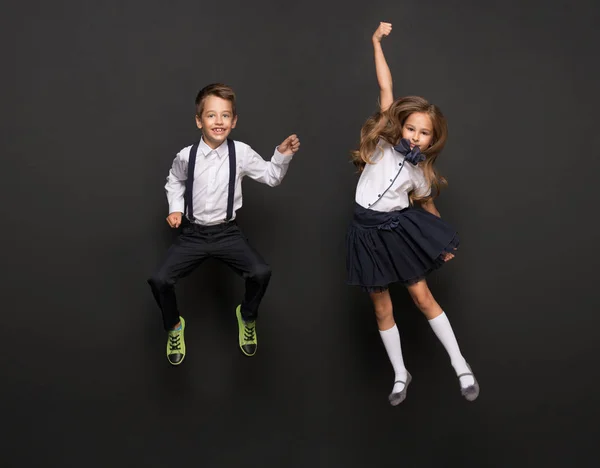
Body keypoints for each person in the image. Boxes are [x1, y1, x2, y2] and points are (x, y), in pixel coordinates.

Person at [346, 22, 479, 404]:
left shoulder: (421, 172)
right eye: (411, 128)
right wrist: (375, 42)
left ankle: (460, 364)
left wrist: (440, 243)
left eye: (424, 133)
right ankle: (400, 373)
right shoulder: (386, 144)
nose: (416, 136)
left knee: (422, 298)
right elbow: (386, 87)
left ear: (432, 139)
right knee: (381, 306)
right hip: (364, 234)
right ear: (401, 126)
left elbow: (425, 204)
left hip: (396, 231)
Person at [148, 83, 300, 365]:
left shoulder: (240, 153)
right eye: (211, 115)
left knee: (261, 273)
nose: (219, 122)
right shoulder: (186, 156)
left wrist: (281, 154)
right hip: (192, 234)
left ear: (234, 120)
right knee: (159, 280)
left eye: (225, 115)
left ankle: (247, 316)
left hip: (226, 233)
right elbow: (175, 180)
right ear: (199, 120)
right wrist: (176, 209)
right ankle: (174, 326)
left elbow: (270, 176)